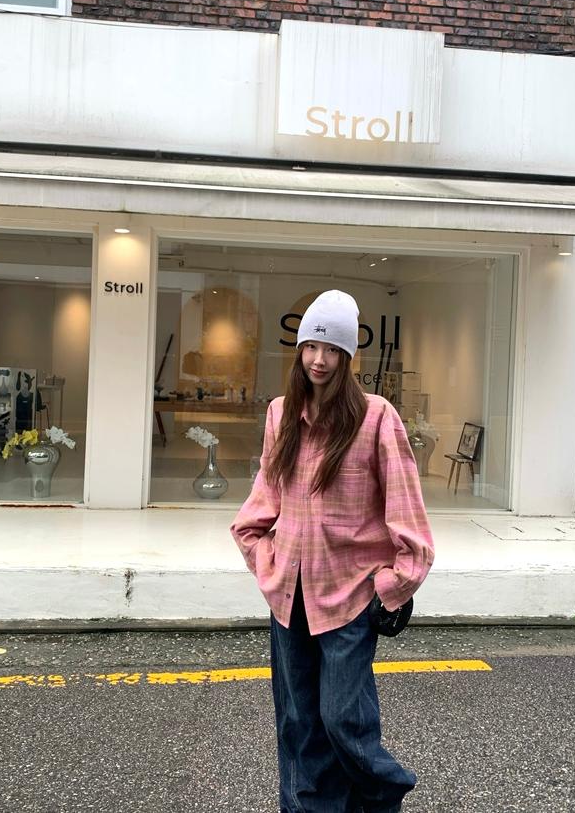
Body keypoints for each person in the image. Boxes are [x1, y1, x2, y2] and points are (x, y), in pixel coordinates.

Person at [231, 290, 435, 813]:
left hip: (350, 594)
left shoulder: (376, 417)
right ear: (299, 350)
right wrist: (262, 557)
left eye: (332, 349)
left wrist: (394, 584)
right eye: (311, 346)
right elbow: (263, 499)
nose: (319, 360)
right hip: (289, 594)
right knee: (298, 721)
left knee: (344, 720)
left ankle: (381, 796)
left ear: (348, 357)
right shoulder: (281, 413)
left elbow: (407, 510)